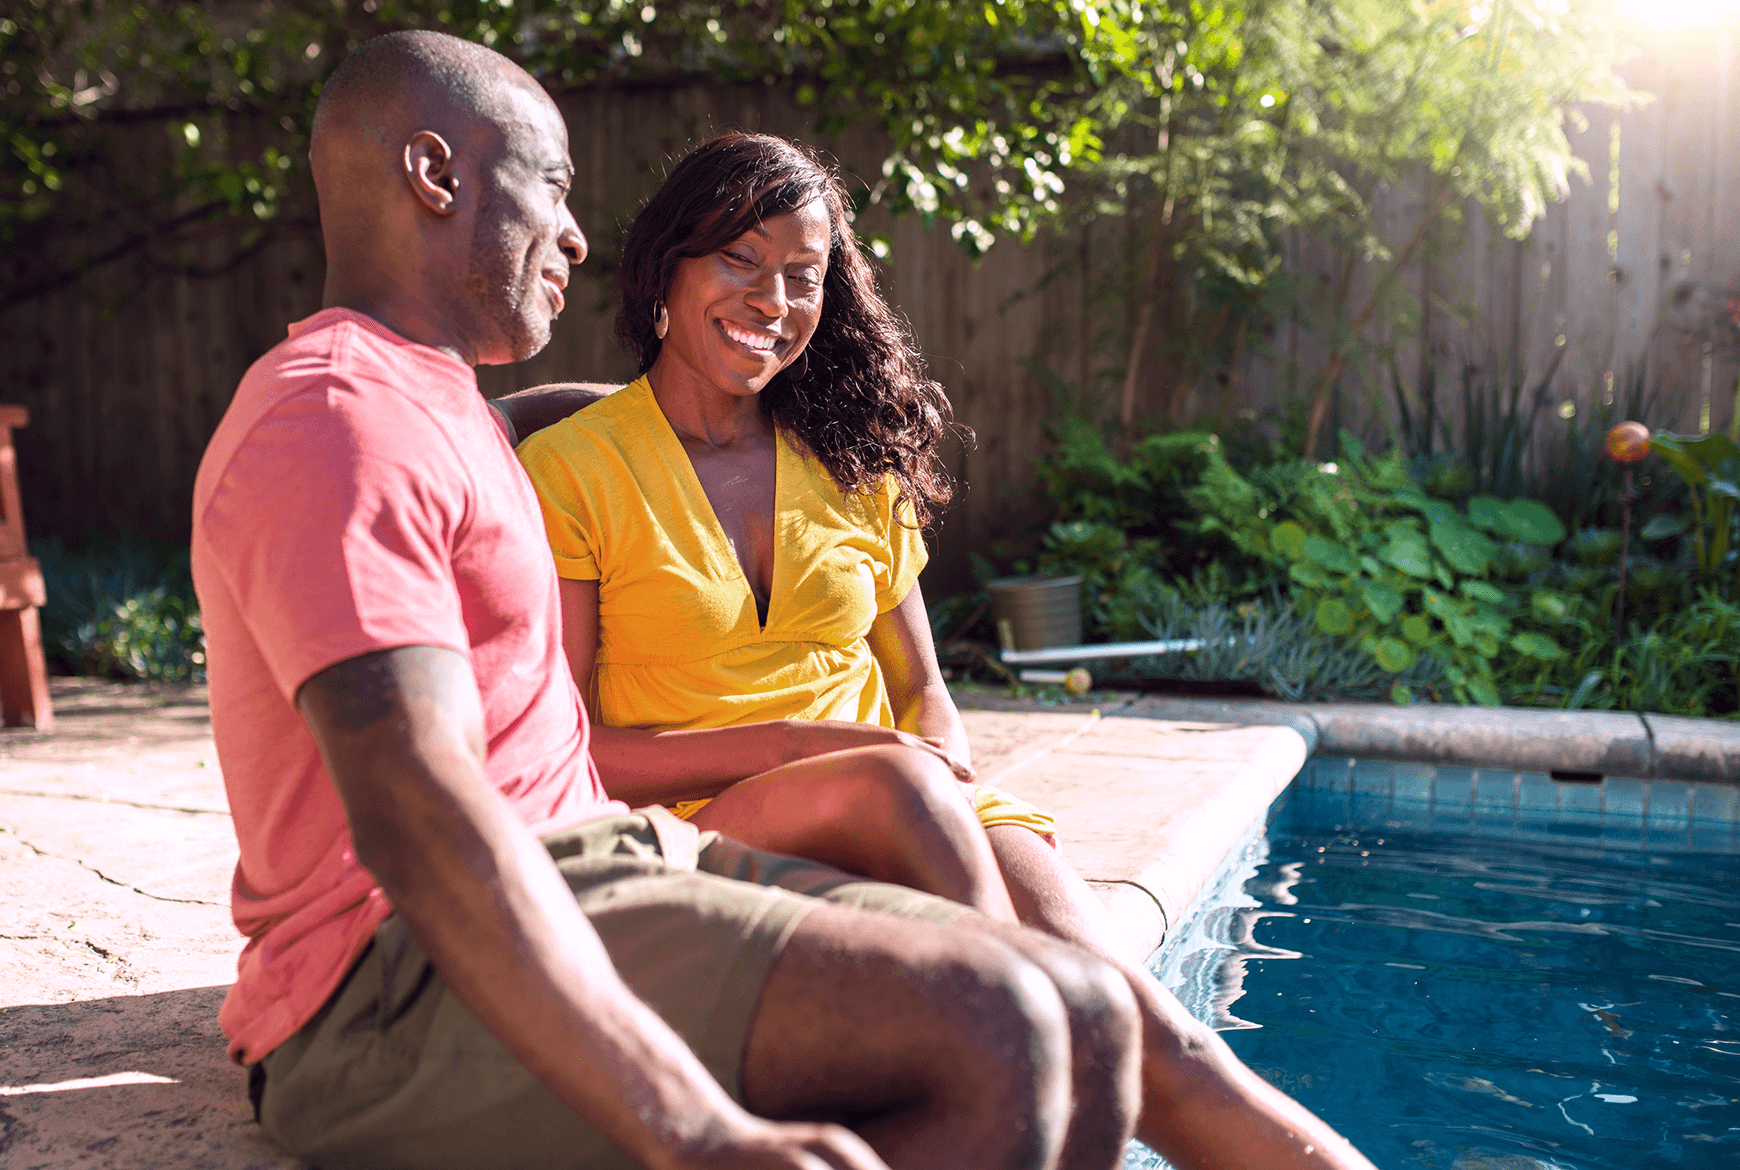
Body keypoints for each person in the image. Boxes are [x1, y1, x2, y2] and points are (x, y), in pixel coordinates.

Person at [191, 29, 1151, 1170]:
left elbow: (564, 424)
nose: (578, 235)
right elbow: (422, 819)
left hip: (608, 864)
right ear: (438, 176)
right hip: (397, 982)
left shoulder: (449, 407)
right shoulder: (338, 419)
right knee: (1004, 1028)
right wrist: (694, 1134)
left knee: (1081, 1012)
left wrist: (702, 397)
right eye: (552, 185)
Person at [510, 132, 1376, 1169]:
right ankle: (1006, 1039)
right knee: (945, 865)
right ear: (666, 268)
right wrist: (808, 747)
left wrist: (935, 756)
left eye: (803, 274)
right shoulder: (570, 469)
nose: (772, 300)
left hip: (911, 801)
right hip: (701, 818)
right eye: (738, 261)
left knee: (1144, 1028)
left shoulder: (851, 459)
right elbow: (579, 753)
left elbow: (923, 688)